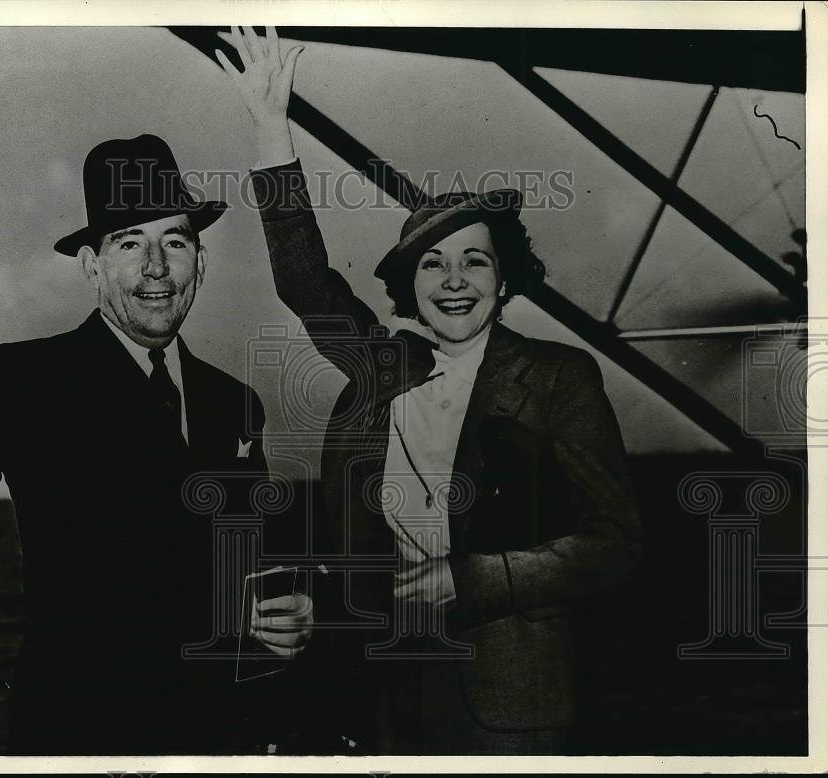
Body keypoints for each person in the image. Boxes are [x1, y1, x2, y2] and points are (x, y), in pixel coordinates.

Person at [218, 26, 641, 754]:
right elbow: (303, 280)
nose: (453, 281)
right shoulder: (383, 368)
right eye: (432, 265)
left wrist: (473, 581)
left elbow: (614, 546)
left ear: (504, 281)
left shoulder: (557, 377)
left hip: (513, 704)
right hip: (387, 694)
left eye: (474, 262)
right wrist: (269, 126)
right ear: (409, 289)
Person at [0, 134, 313, 755]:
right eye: (129, 243)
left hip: (218, 737)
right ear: (90, 266)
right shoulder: (26, 378)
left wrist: (289, 617)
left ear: (201, 263)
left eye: (176, 242)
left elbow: (251, 567)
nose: (156, 267)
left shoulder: (236, 403)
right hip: (80, 737)